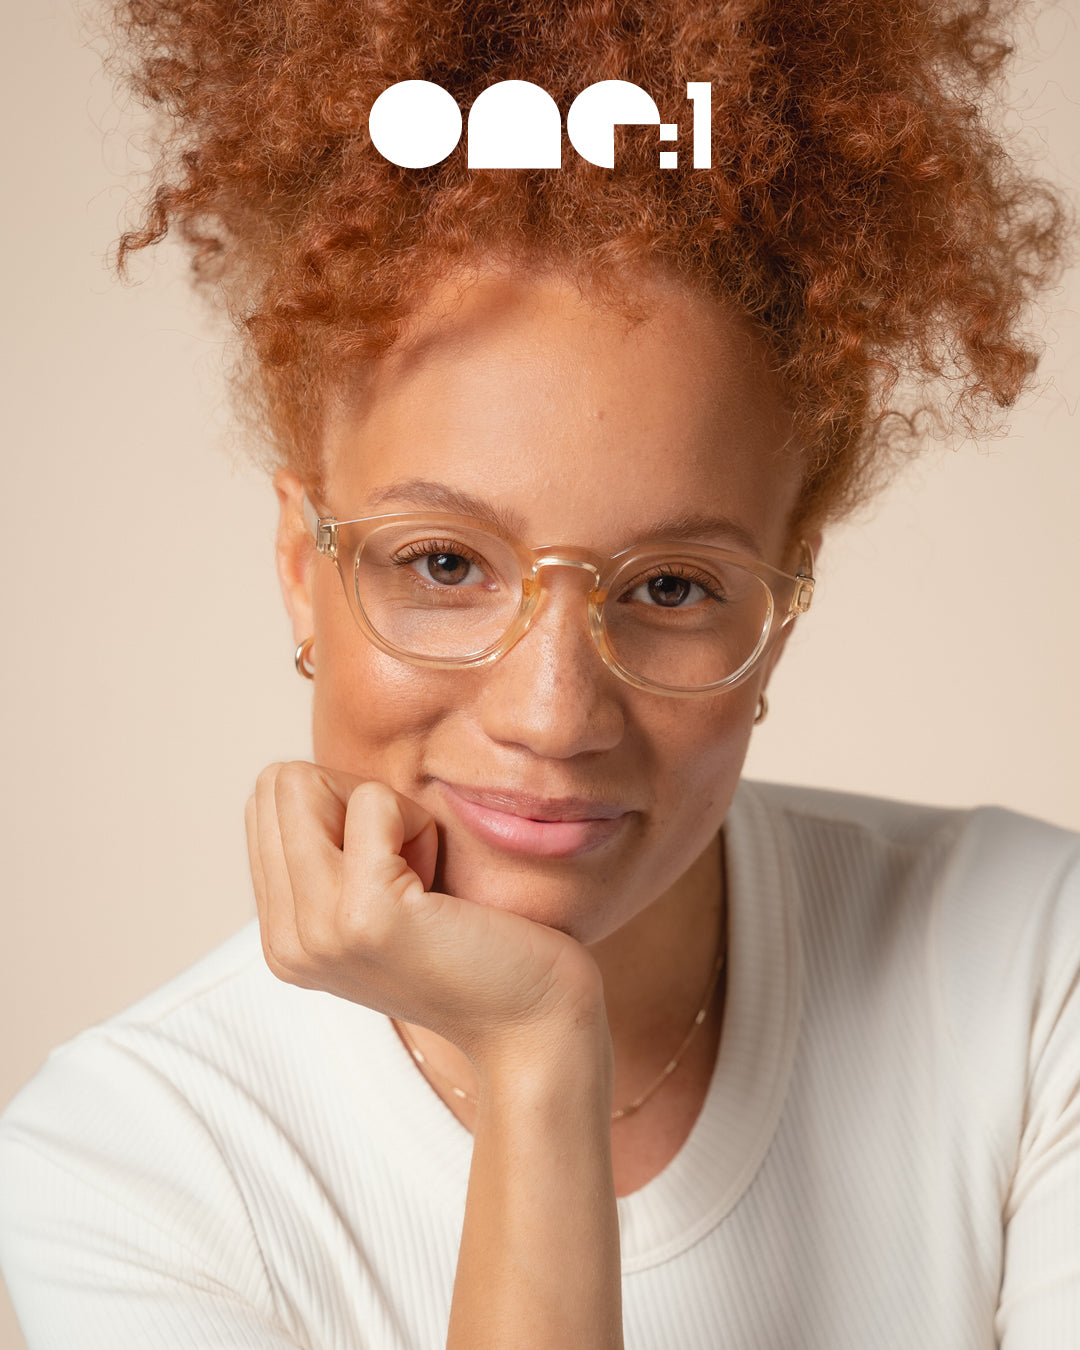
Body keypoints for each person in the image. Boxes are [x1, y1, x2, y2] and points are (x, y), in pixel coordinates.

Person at [0, 0, 1076, 1347]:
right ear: (299, 564)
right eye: (446, 564)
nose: (552, 712)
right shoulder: (133, 1167)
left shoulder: (1036, 973)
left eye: (672, 586)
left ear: (785, 605)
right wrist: (537, 1059)